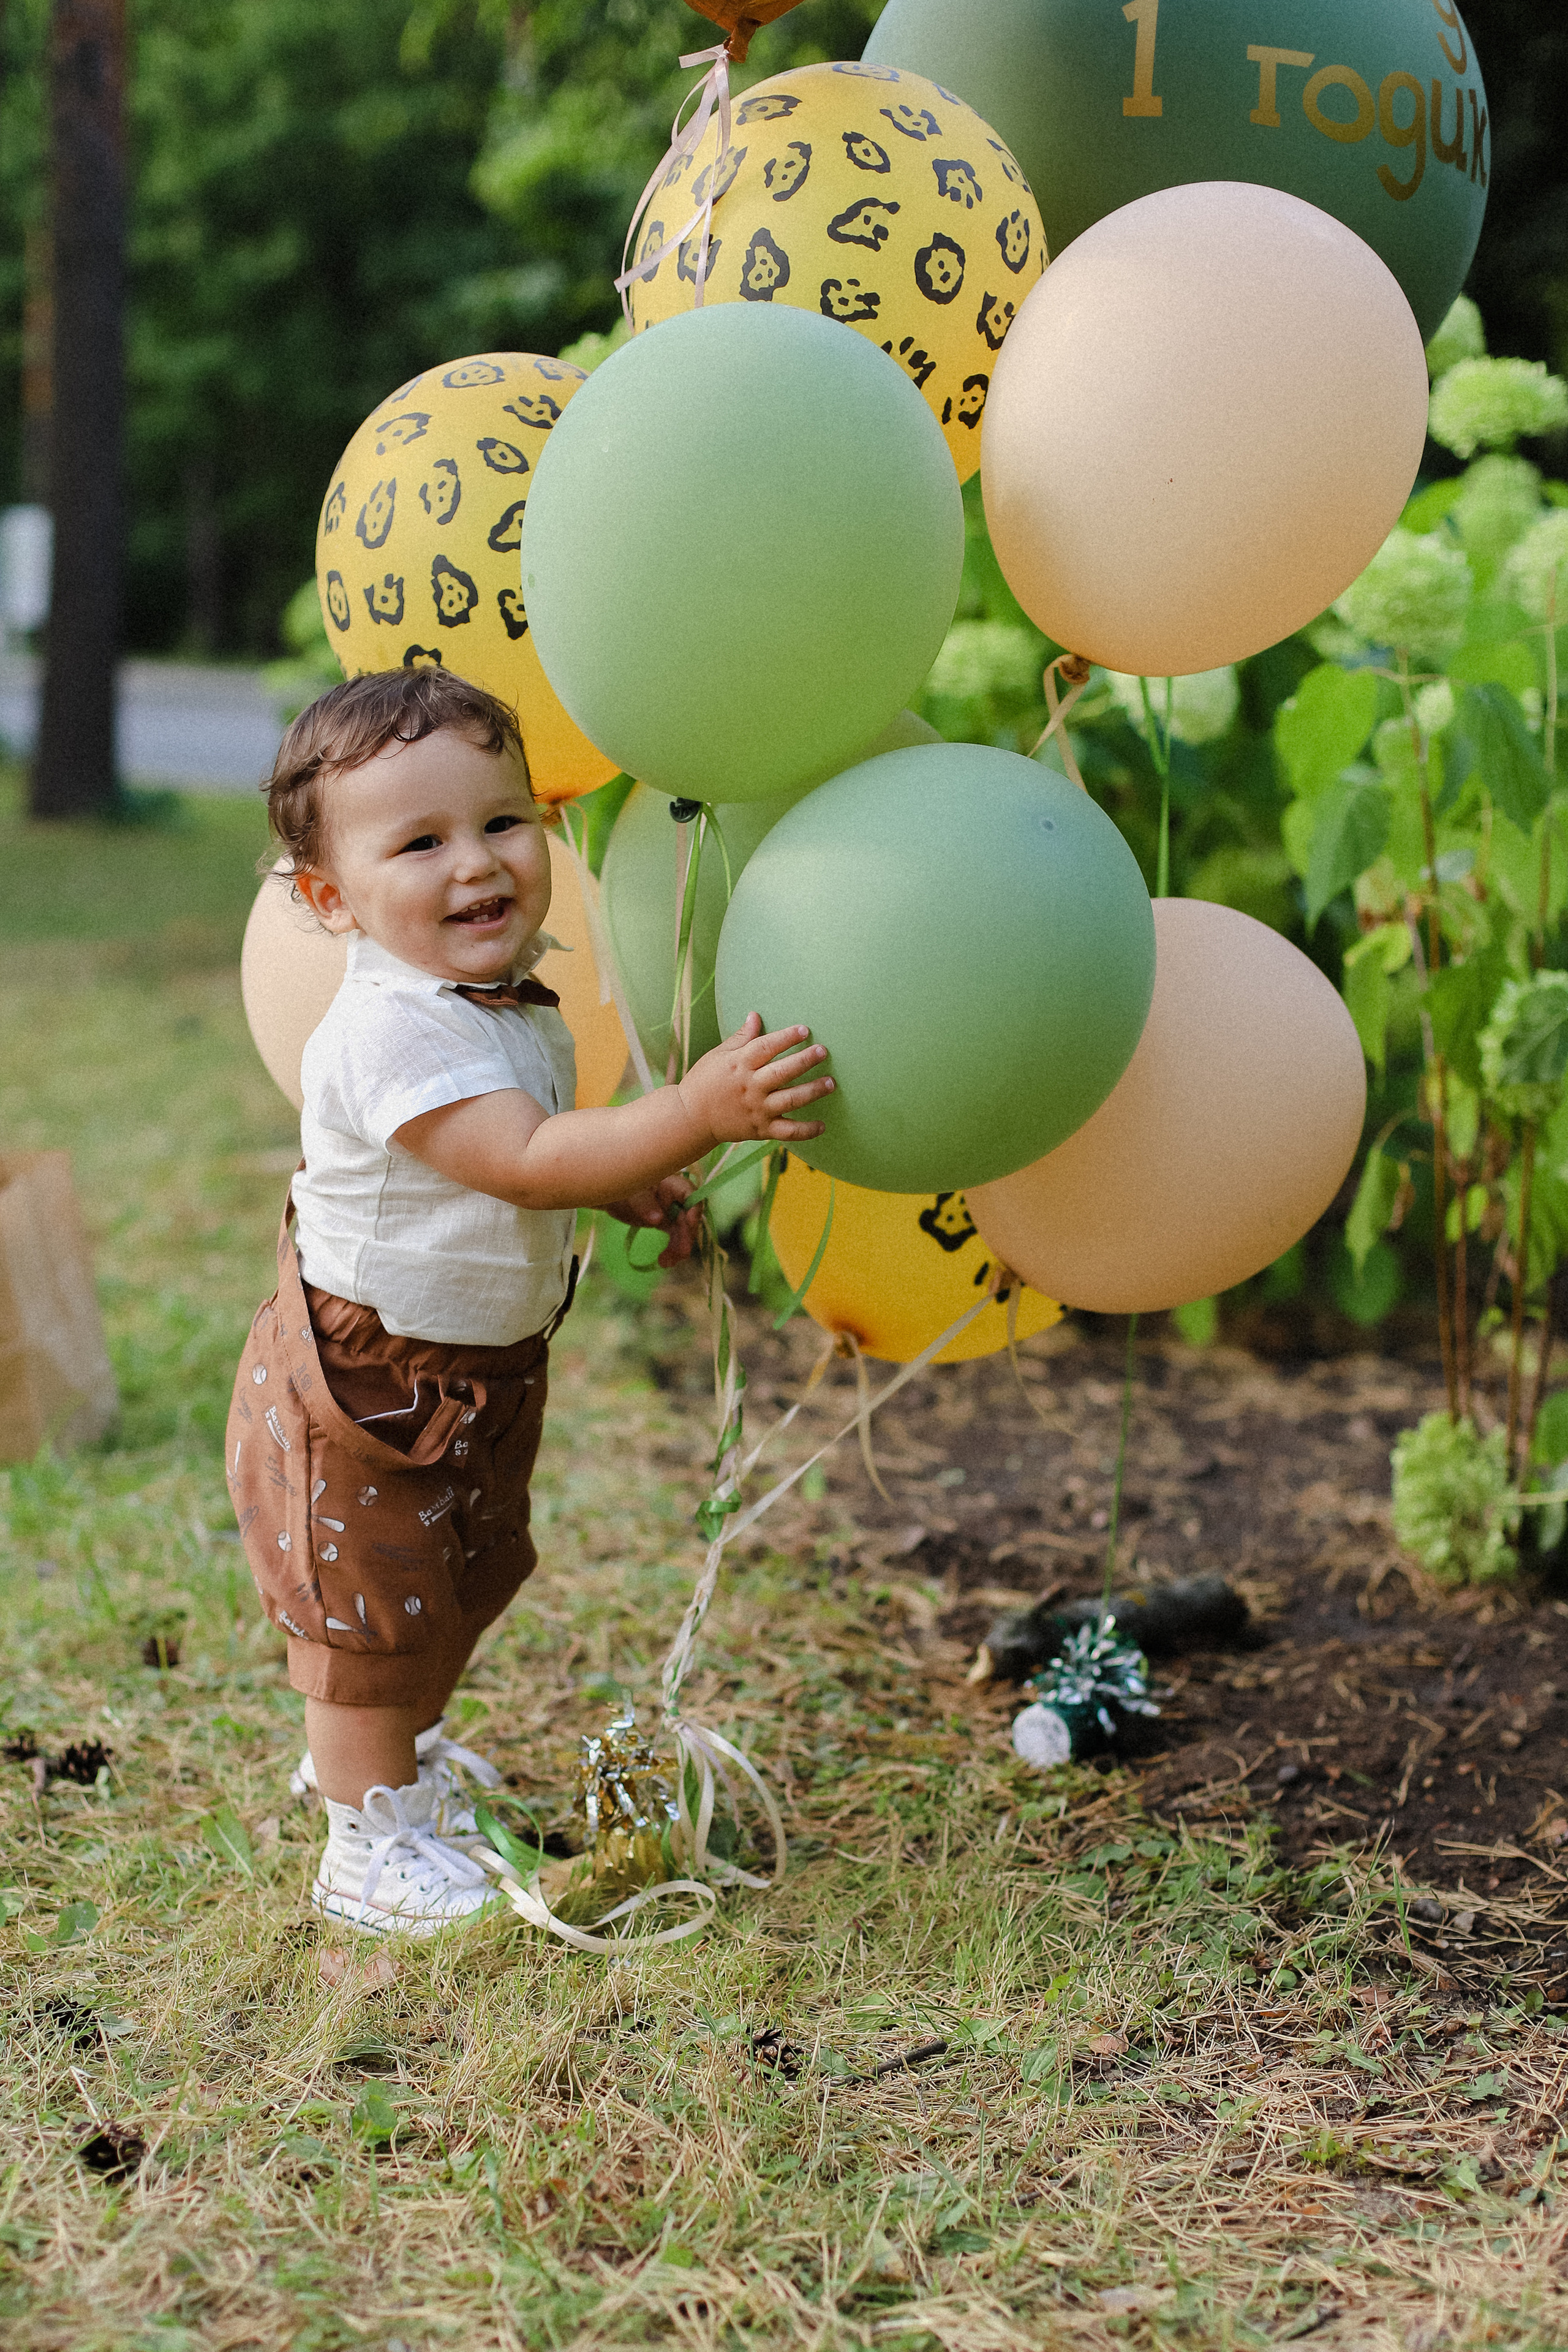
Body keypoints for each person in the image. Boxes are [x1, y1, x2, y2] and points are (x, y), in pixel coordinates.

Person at [227, 668, 832, 1936]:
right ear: (333, 899)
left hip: (476, 1367)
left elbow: (534, 1145)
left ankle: (399, 1762)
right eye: (420, 843)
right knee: (371, 1608)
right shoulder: (391, 1028)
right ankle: (362, 1836)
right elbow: (516, 1158)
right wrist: (695, 1112)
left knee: (459, 1574)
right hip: (372, 1379)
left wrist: (619, 1187)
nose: (477, 866)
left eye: (502, 822)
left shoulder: (497, 1002)